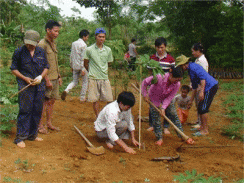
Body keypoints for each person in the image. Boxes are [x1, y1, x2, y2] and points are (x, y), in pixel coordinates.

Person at [10, 30, 49, 148]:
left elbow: (46, 67)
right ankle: (20, 138)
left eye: (31, 43)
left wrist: (41, 77)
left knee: (37, 110)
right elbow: (13, 69)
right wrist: (24, 78)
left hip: (39, 86)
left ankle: (32, 135)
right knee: (25, 110)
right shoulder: (19, 52)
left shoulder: (41, 51)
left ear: (37, 42)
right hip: (25, 85)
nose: (29, 46)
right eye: (27, 43)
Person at [142, 66, 193, 146]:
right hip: (154, 97)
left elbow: (170, 97)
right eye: (176, 79)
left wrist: (163, 108)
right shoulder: (159, 77)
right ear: (171, 75)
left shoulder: (177, 84)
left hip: (167, 98)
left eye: (179, 80)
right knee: (156, 117)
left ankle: (182, 135)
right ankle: (159, 138)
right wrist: (145, 95)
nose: (177, 82)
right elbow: (145, 82)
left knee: (173, 115)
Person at [176, 55, 218, 136]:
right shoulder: (190, 70)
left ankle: (205, 130)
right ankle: (202, 127)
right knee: (200, 107)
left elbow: (203, 79)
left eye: (180, 66)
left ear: (184, 64)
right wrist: (191, 101)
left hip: (210, 87)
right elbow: (194, 86)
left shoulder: (193, 67)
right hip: (206, 87)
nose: (181, 68)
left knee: (203, 108)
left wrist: (202, 91)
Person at [38, 20, 62, 134]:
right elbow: (40, 65)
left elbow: (54, 62)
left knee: (52, 101)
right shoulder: (42, 44)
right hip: (47, 79)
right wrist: (46, 79)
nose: (57, 33)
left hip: (55, 78)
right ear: (48, 30)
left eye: (58, 31)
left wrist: (59, 76)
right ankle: (40, 125)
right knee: (44, 102)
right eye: (55, 31)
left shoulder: (53, 43)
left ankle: (49, 123)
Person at [148, 37, 176, 134]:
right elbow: (150, 71)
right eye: (158, 47)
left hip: (166, 87)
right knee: (153, 106)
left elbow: (173, 72)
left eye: (162, 47)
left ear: (165, 47)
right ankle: (152, 125)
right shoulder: (152, 58)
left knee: (166, 106)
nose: (160, 49)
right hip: (154, 86)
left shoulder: (170, 59)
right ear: (155, 47)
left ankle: (166, 127)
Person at [84, 28, 114, 118]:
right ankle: (98, 117)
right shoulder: (89, 49)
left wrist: (103, 69)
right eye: (99, 36)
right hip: (93, 77)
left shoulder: (108, 50)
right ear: (95, 37)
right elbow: (85, 63)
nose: (101, 39)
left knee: (109, 99)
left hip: (104, 77)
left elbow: (109, 62)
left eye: (103, 37)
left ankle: (105, 115)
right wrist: (92, 71)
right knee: (95, 99)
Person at [61, 29, 90, 102]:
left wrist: (71, 65)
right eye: (87, 37)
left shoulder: (74, 43)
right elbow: (83, 57)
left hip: (74, 65)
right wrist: (83, 69)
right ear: (84, 37)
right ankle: (82, 98)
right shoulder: (84, 45)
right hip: (81, 66)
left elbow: (71, 55)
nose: (87, 38)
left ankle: (66, 90)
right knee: (85, 82)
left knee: (74, 81)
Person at [191, 43, 209, 129]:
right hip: (198, 85)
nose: (192, 53)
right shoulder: (198, 60)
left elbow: (203, 75)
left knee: (200, 104)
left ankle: (201, 123)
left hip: (201, 85)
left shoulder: (202, 61)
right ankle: (199, 120)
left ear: (198, 51)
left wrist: (201, 88)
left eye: (193, 51)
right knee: (198, 104)